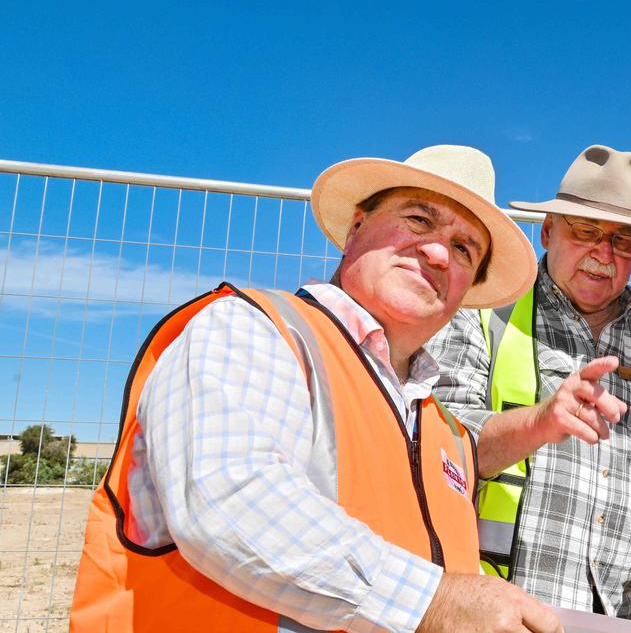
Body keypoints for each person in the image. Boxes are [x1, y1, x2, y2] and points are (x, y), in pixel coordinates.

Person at [71, 146, 564, 633]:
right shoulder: (253, 331)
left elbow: (446, 568)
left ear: (467, 287)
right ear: (355, 228)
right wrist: (435, 602)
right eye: (418, 220)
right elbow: (230, 502)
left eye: (463, 249)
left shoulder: (443, 431)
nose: (437, 253)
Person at [427, 144, 631, 621]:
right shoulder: (486, 308)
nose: (603, 252)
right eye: (586, 230)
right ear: (547, 231)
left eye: (624, 239)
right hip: (502, 612)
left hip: (622, 616)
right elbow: (440, 448)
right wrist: (541, 421)